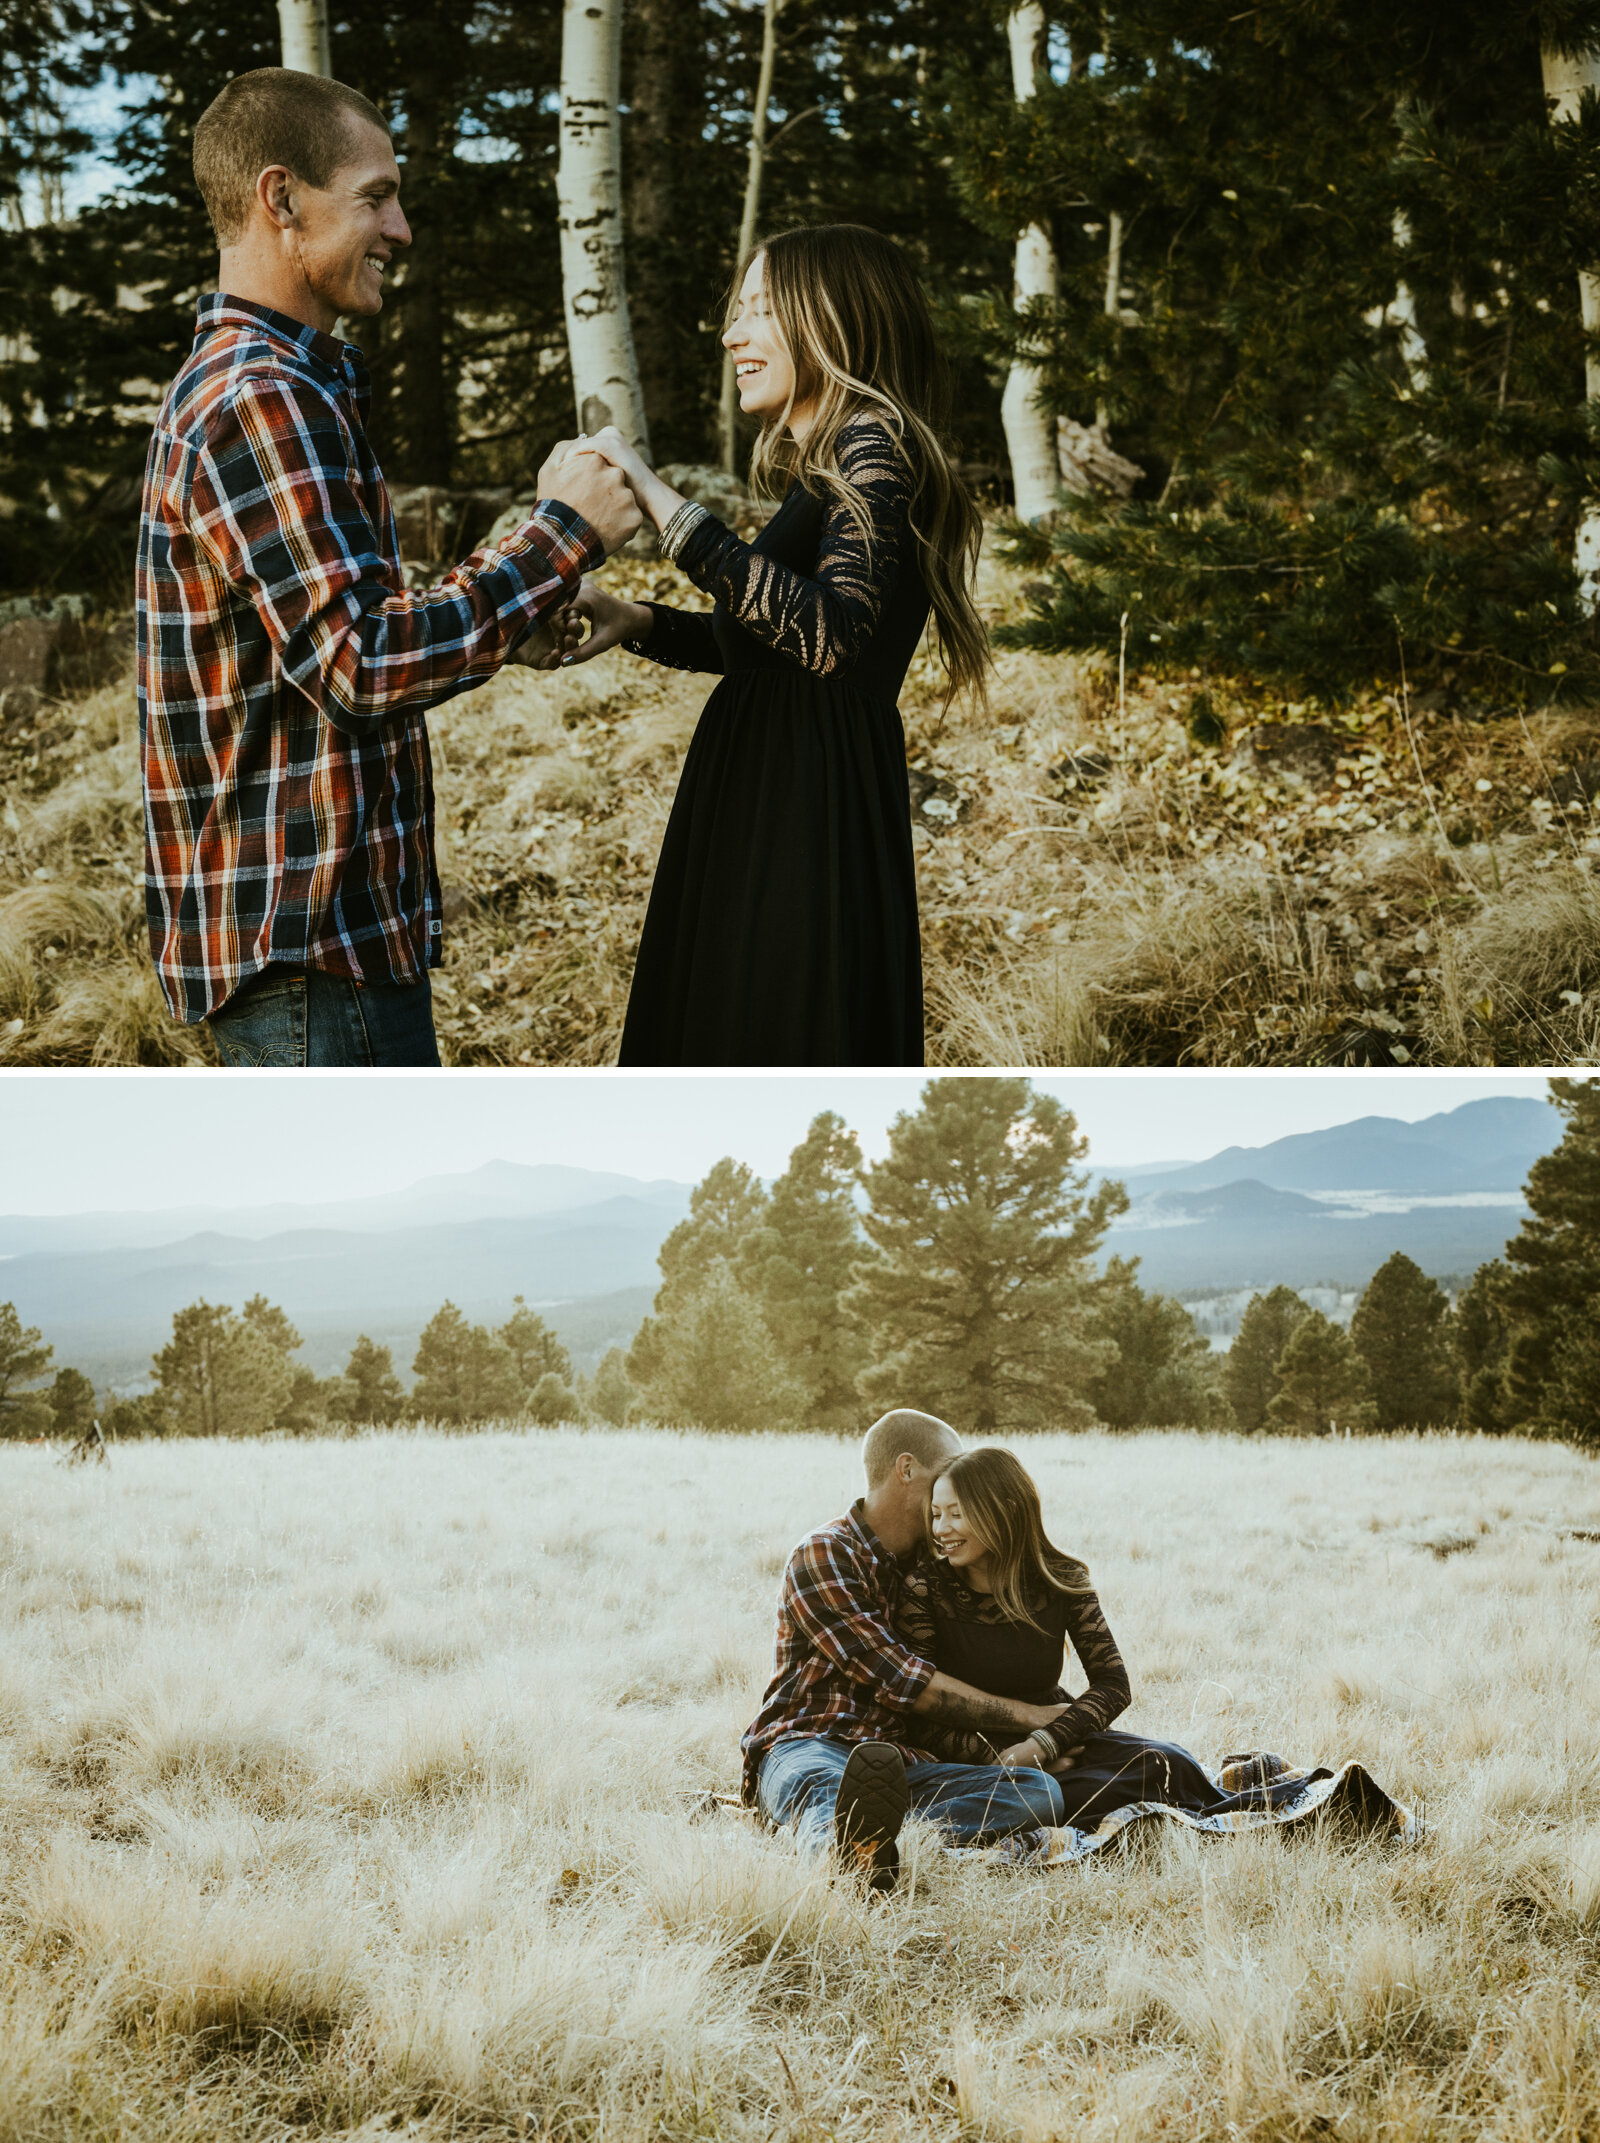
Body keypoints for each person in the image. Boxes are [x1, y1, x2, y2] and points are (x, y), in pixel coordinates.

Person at [139, 67, 640, 1067]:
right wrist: (559, 533)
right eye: (374, 196)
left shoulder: (273, 385)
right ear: (280, 199)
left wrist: (519, 598)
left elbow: (336, 628)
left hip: (314, 953)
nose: (401, 229)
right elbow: (361, 662)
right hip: (310, 962)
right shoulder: (258, 398)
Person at [558, 224, 990, 1068]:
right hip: (770, 789)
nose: (731, 335)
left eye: (758, 311)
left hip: (807, 806)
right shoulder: (832, 463)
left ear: (830, 321)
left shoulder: (875, 441)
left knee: (774, 1031)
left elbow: (826, 637)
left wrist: (655, 497)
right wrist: (636, 621)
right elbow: (772, 644)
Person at [741, 1409, 1078, 1893]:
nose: (957, 1489)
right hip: (812, 1741)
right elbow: (906, 1683)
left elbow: (992, 1662)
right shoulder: (825, 1554)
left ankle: (882, 1836)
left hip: (904, 1762)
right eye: (948, 1471)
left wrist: (1066, 1727)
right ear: (906, 1469)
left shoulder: (939, 1566)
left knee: (1037, 1793)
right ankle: (845, 1861)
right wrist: (1036, 1719)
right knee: (823, 1788)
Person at [897, 1446, 1317, 1834]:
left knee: (1166, 1762)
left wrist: (1045, 1744)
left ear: (1004, 1511)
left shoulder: (1061, 1580)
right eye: (935, 1514)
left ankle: (1298, 1817)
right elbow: (918, 1711)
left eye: (956, 1514)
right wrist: (1005, 1759)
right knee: (1053, 1797)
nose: (941, 1529)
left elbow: (1114, 1685)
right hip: (970, 1755)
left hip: (1057, 1735)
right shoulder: (925, 1589)